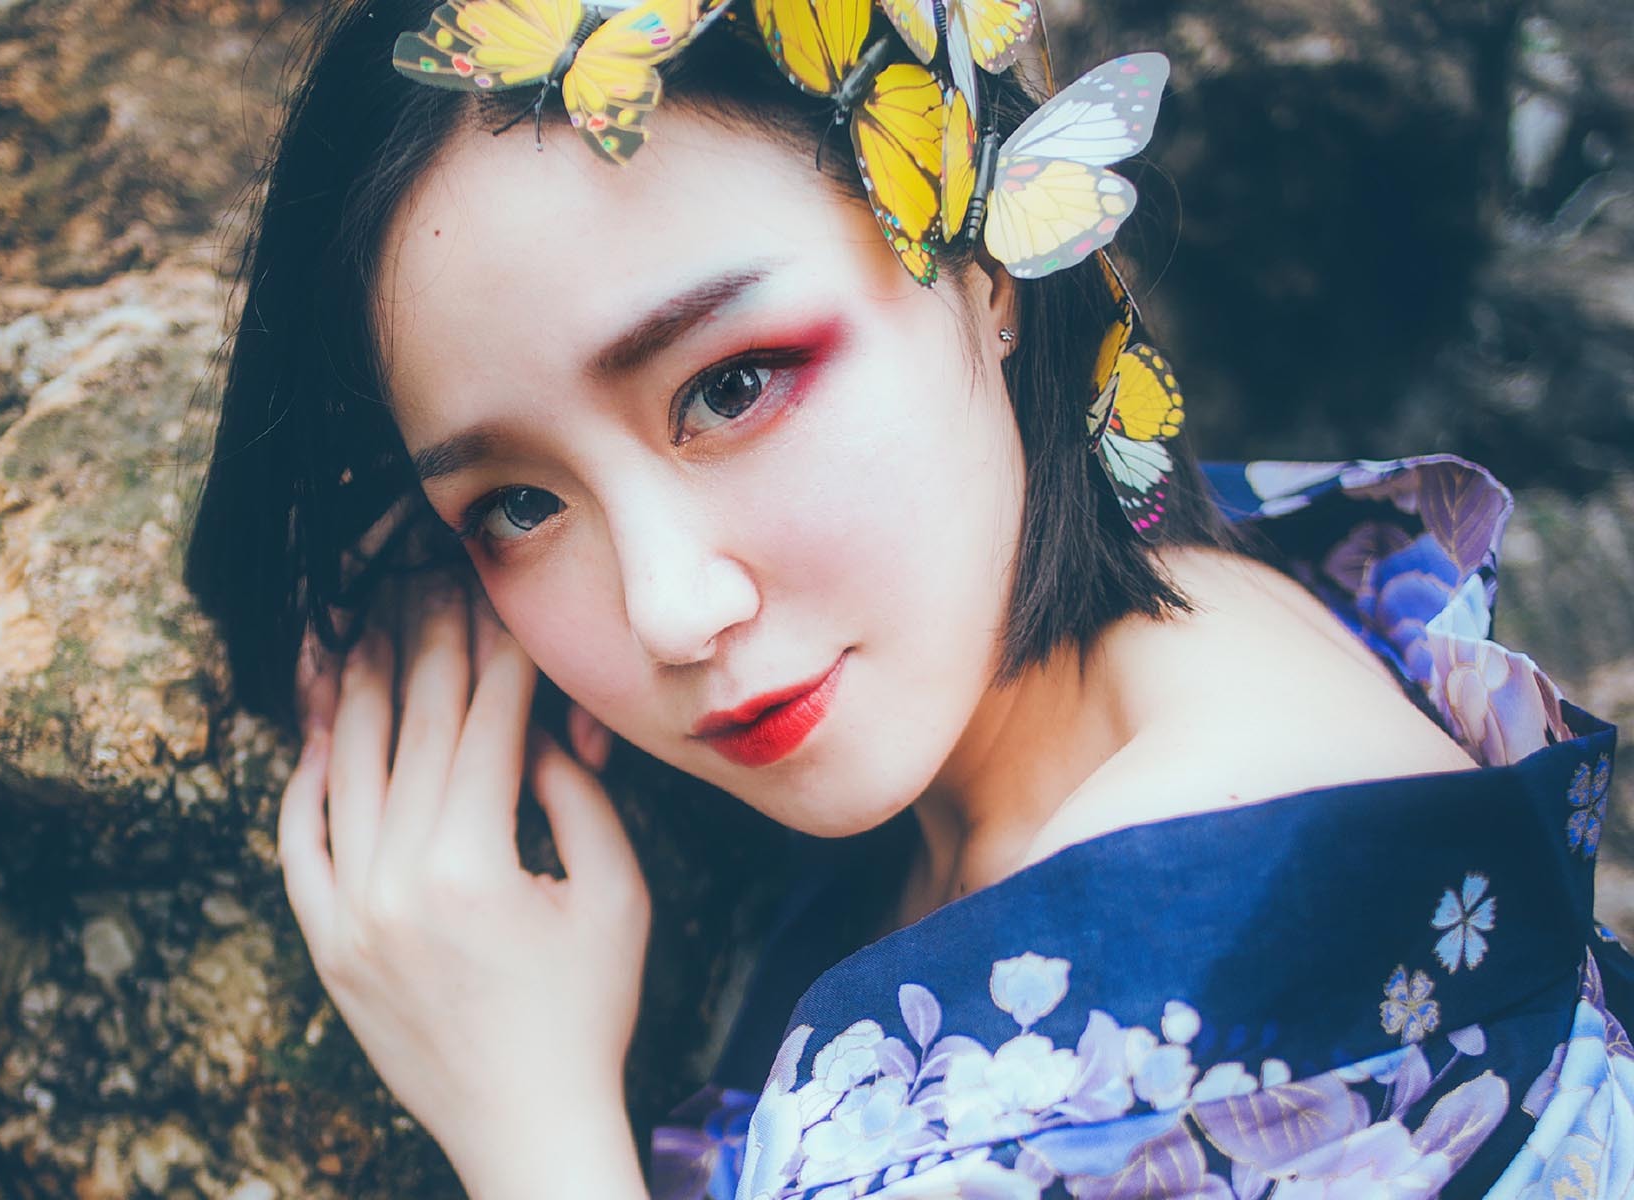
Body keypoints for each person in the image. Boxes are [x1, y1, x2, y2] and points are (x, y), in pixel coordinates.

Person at [179, 0, 1631, 1195]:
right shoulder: (1173, 634)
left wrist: (530, 1127)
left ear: (988, 269)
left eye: (731, 388)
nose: (669, 610)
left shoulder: (1176, 1008)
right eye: (517, 505)